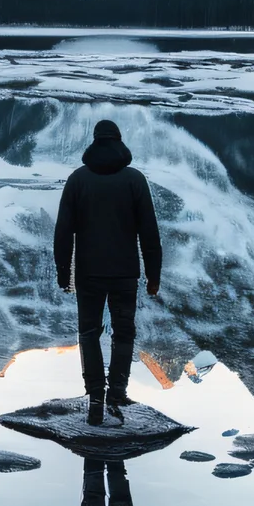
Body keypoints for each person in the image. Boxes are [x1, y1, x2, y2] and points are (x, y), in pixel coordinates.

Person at [53, 117, 162, 426]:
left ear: (95, 141)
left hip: (89, 273)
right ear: (119, 141)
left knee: (89, 333)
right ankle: (117, 392)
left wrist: (64, 272)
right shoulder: (134, 180)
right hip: (125, 273)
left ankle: (95, 398)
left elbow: (63, 232)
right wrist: (153, 276)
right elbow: (149, 233)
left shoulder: (78, 180)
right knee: (123, 332)